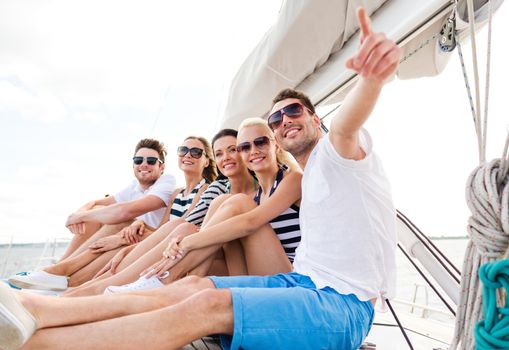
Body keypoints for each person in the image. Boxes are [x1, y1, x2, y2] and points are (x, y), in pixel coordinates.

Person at [0, 8, 398, 350]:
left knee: (202, 306)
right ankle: (37, 308)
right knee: (190, 290)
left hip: (344, 306)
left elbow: (345, 126)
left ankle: (34, 343)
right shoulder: (305, 175)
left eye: (293, 111)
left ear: (314, 117)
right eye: (276, 119)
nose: (284, 122)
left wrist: (372, 80)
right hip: (300, 284)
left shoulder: (339, 154)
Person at [8, 136, 213, 291]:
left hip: (170, 248)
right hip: (150, 239)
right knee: (110, 221)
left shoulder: (184, 186)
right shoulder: (177, 192)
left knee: (119, 228)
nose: (188, 154)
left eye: (196, 152)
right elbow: (158, 227)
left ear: (206, 160)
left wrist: (122, 236)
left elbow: (179, 227)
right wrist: (84, 211)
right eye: (184, 149)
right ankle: (60, 273)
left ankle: (65, 280)